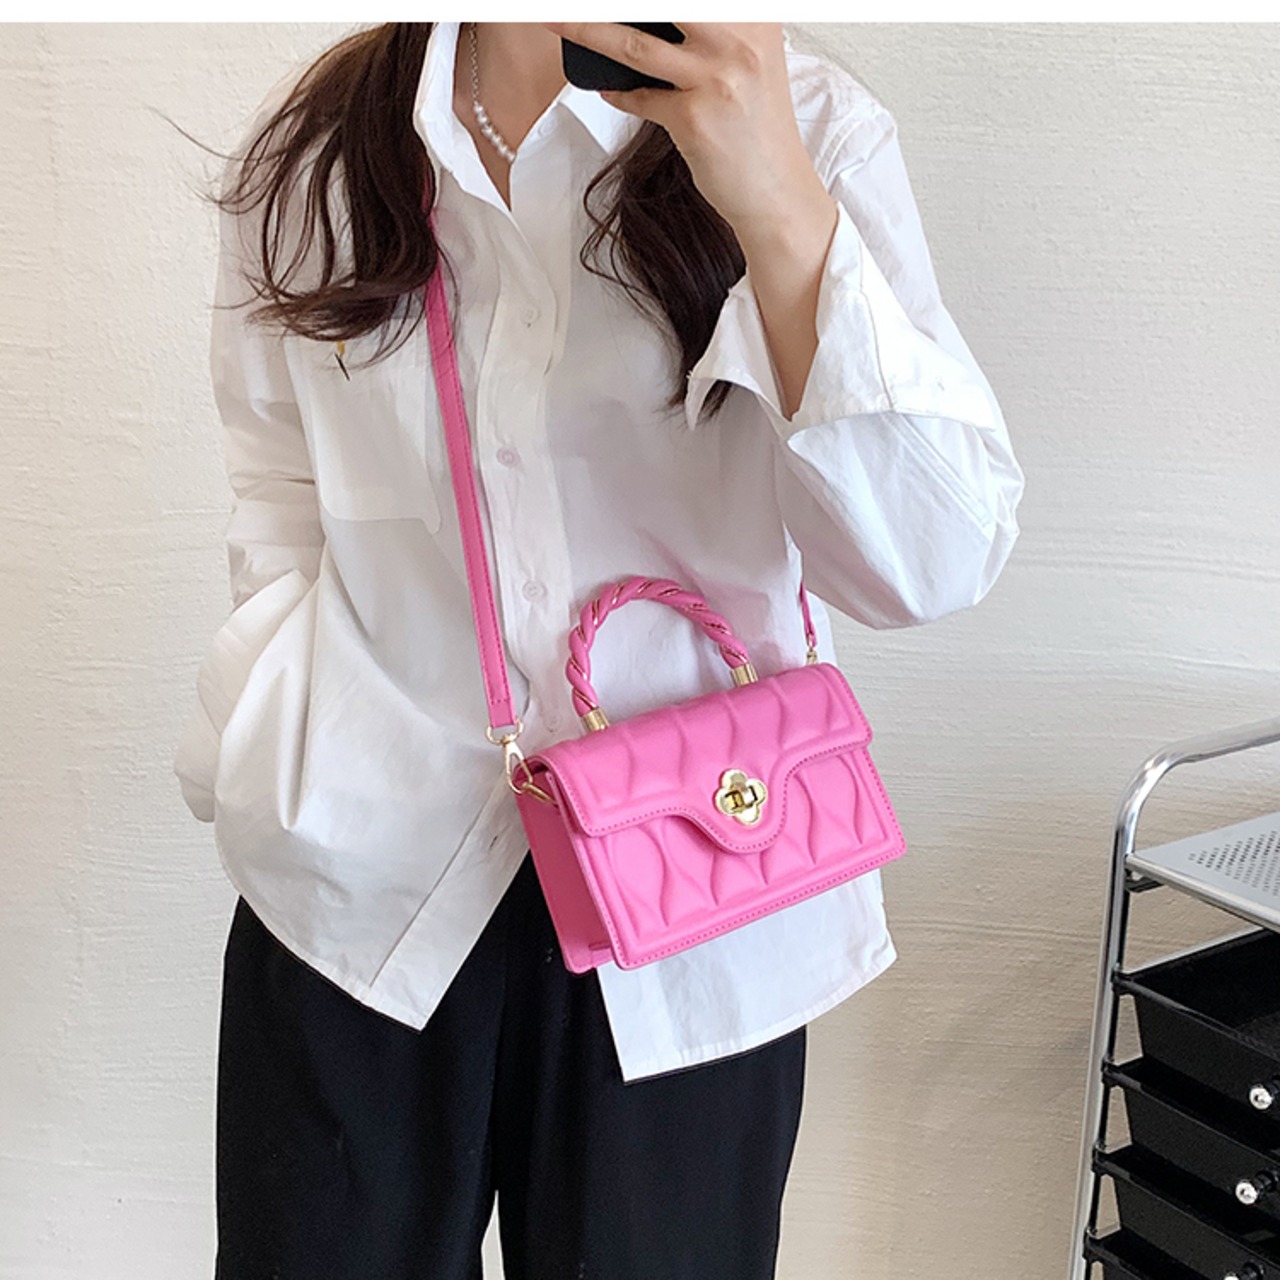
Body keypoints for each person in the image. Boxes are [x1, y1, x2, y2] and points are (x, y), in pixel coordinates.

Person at [174, 20, 1025, 1280]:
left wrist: (778, 208)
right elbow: (278, 483)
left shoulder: (812, 131)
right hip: (363, 865)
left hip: (697, 894)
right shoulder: (325, 150)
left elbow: (931, 560)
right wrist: (270, 722)